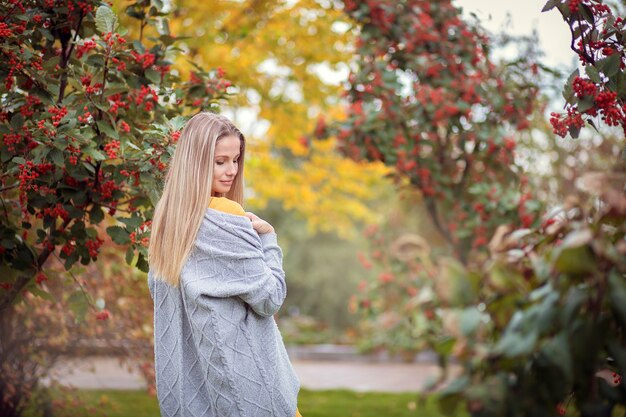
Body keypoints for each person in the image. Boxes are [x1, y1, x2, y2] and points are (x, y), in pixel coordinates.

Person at [147, 112, 302, 417]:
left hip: (198, 389)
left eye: (236, 160)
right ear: (197, 163)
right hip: (250, 388)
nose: (231, 171)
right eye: (220, 161)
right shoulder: (227, 216)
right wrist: (269, 238)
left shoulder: (169, 223)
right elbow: (270, 297)